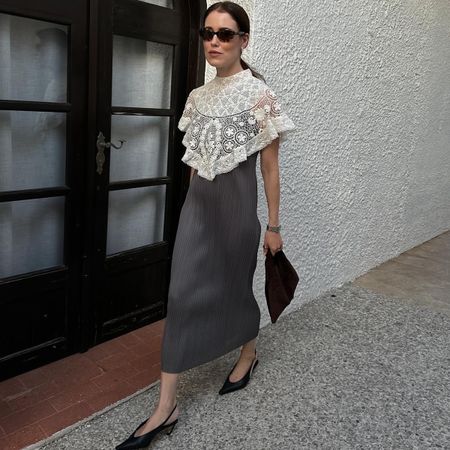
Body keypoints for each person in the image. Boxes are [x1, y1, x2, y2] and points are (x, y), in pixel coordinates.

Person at [115, 2, 295, 449]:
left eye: (226, 34)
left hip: (237, 216)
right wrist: (191, 208)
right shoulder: (198, 98)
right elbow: (196, 164)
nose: (214, 41)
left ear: (244, 41)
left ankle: (248, 352)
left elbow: (269, 168)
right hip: (198, 212)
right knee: (180, 294)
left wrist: (273, 225)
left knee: (235, 288)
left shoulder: (258, 94)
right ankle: (166, 407)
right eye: (208, 32)